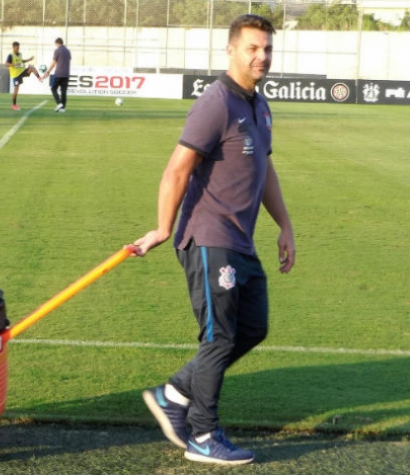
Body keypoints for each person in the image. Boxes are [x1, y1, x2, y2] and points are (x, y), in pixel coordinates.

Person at [132, 14, 294, 465]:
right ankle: (203, 434)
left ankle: (173, 394)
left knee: (253, 328)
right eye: (252, 48)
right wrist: (162, 227)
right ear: (231, 50)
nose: (261, 56)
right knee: (219, 337)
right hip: (208, 237)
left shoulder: (259, 105)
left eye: (267, 49)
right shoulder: (216, 102)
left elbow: (264, 169)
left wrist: (285, 225)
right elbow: (177, 170)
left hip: (242, 240)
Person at [5, 41, 41, 111]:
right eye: (16, 48)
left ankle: (40, 78)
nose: (18, 49)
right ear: (13, 48)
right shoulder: (10, 55)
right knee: (16, 90)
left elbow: (21, 61)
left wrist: (29, 59)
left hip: (22, 71)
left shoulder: (20, 54)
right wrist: (15, 64)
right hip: (16, 75)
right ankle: (14, 105)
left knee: (32, 67)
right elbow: (6, 64)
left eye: (18, 48)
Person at [42, 38, 72, 113]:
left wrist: (48, 71)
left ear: (57, 43)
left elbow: (54, 62)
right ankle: (63, 108)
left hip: (59, 73)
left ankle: (59, 104)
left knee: (53, 88)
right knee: (63, 91)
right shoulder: (68, 51)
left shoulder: (57, 50)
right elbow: (68, 60)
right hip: (66, 74)